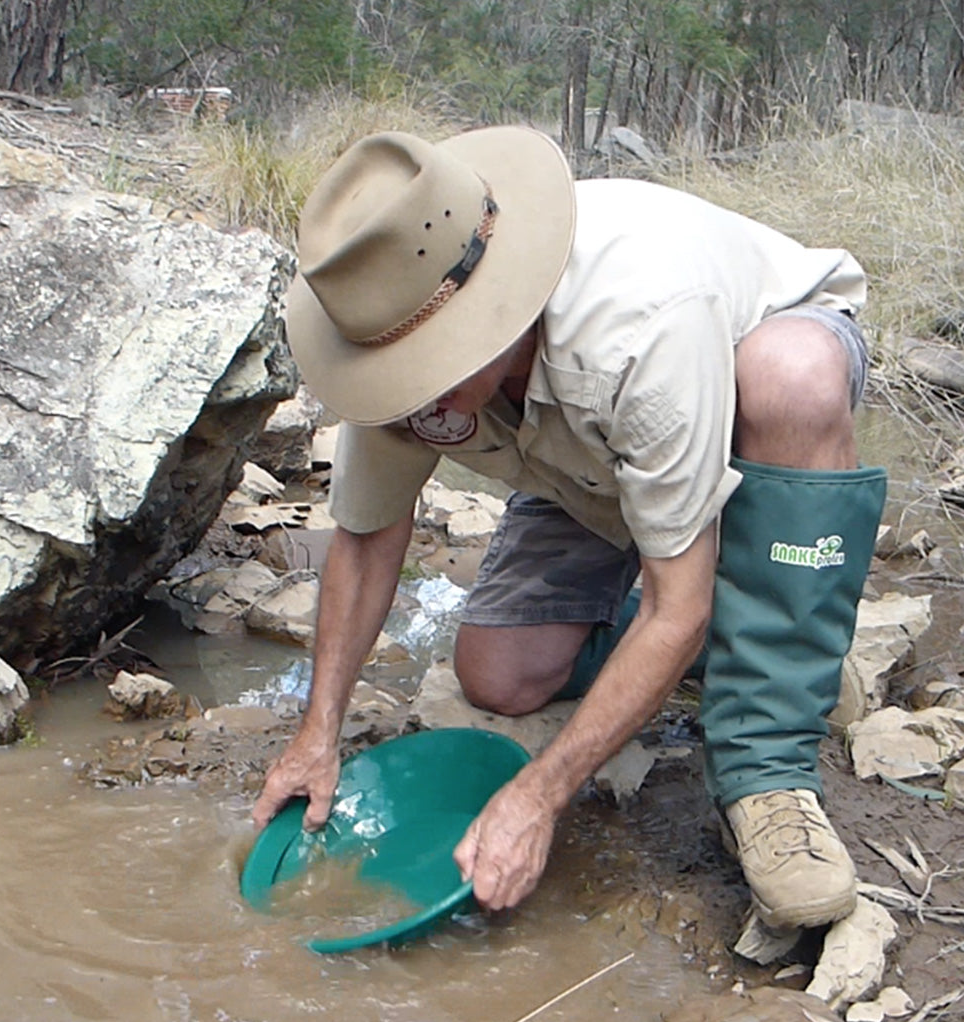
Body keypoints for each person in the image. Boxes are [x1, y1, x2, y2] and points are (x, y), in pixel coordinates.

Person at [251, 125, 887, 933]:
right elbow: (370, 535)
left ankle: (770, 753)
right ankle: (766, 635)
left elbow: (674, 608)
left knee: (791, 377)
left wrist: (540, 796)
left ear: (496, 317)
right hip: (585, 456)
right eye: (394, 380)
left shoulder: (641, 326)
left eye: (427, 374)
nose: (412, 405)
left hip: (738, 379)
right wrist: (319, 732)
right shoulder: (393, 322)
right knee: (500, 675)